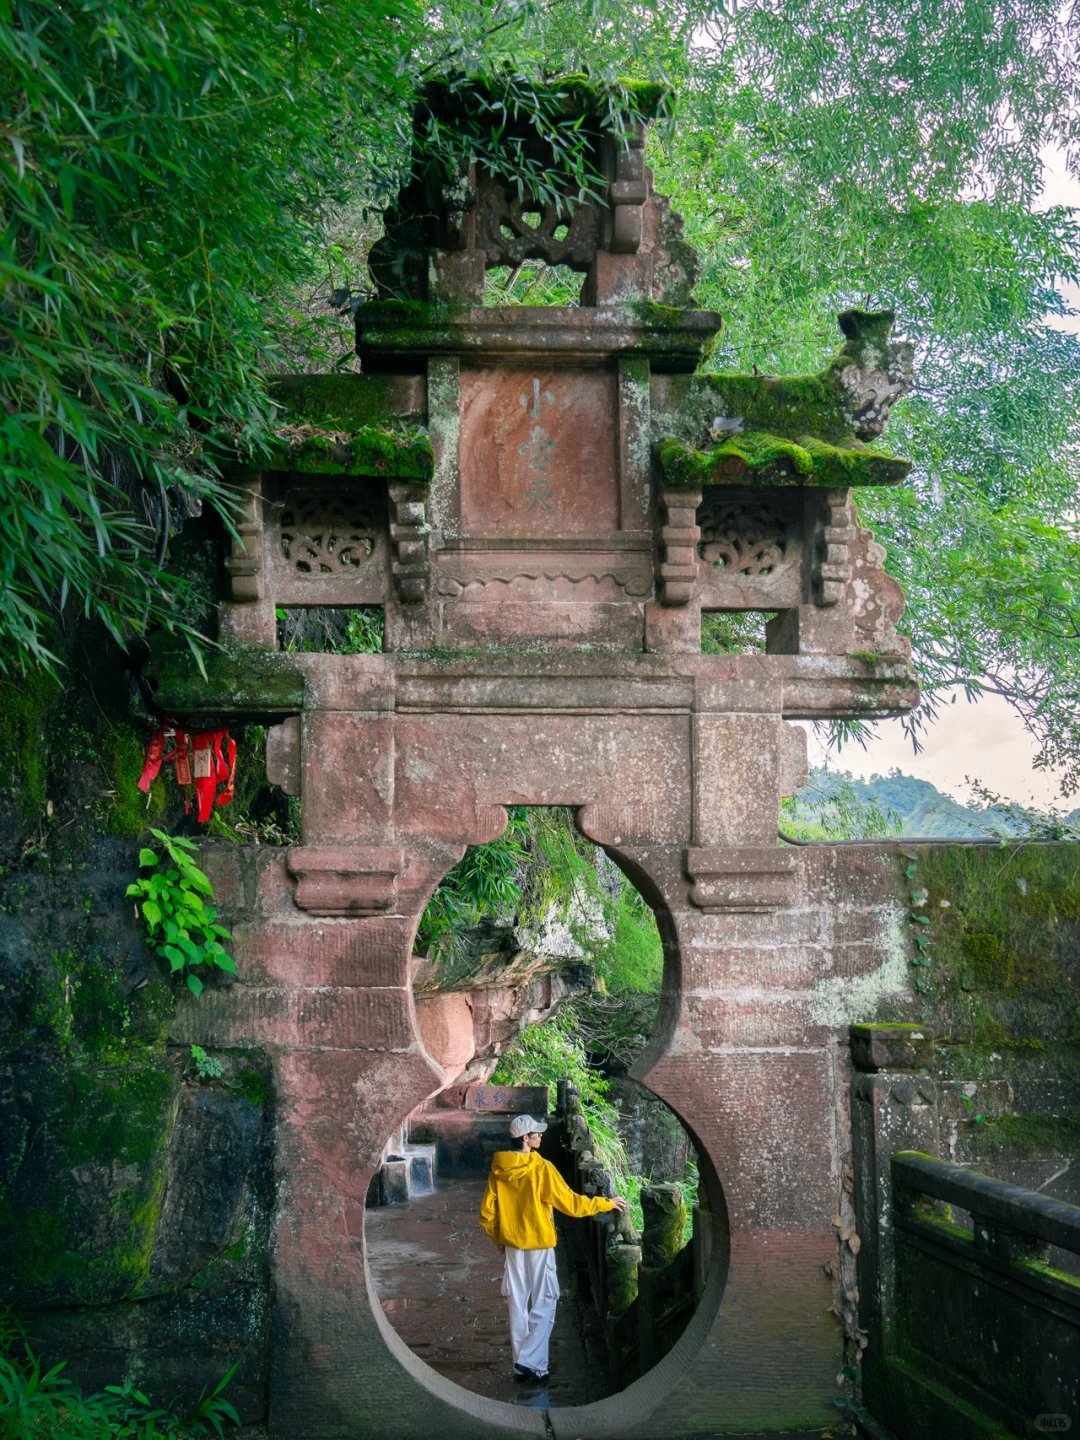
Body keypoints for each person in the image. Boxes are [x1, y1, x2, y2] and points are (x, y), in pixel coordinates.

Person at [479, 1112, 629, 1383]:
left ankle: (521, 1365)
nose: (541, 1136)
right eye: (536, 1133)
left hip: (512, 1246)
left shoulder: (499, 1170)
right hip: (539, 1245)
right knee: (546, 1299)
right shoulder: (542, 1168)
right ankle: (531, 1362)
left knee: (517, 1302)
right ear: (526, 1138)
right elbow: (570, 1203)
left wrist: (500, 1239)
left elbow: (487, 1215)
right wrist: (605, 1204)